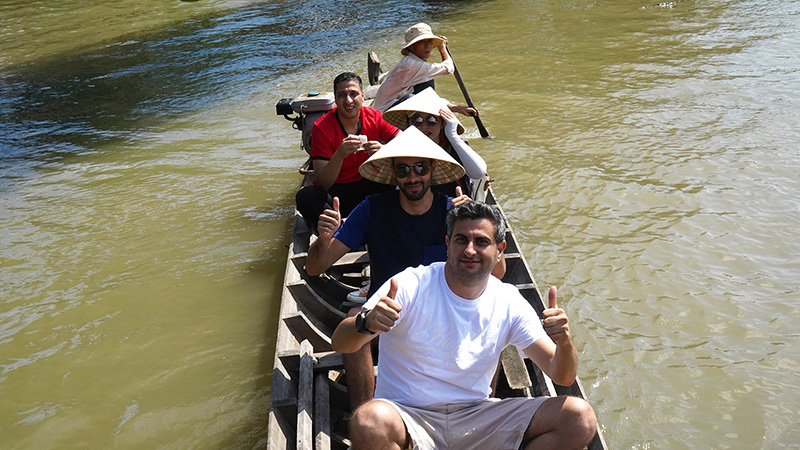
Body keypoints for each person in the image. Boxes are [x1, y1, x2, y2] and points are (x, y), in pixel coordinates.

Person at [331, 201, 598, 450]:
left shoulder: (507, 299)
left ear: (499, 251)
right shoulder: (410, 284)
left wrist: (565, 342)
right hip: (408, 415)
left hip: (477, 415)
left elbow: (562, 376)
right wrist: (365, 323)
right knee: (368, 422)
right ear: (448, 244)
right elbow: (340, 341)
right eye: (461, 240)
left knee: (579, 419)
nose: (470, 250)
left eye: (481, 242)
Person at [306, 126, 470, 409]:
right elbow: (314, 267)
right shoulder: (372, 209)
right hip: (386, 316)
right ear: (394, 173)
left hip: (441, 317)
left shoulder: (452, 213)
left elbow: (497, 274)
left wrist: (475, 225)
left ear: (431, 170)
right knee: (356, 317)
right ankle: (364, 414)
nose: (413, 177)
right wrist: (323, 239)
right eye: (403, 170)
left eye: (420, 168)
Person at [295, 72, 399, 230]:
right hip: (339, 191)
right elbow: (323, 183)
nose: (348, 101)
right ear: (335, 99)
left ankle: (363, 223)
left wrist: (384, 150)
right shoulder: (322, 128)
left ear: (363, 96)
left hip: (370, 183)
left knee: (404, 179)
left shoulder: (375, 117)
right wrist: (339, 155)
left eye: (353, 94)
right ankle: (340, 229)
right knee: (305, 197)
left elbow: (406, 143)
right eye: (342, 95)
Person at [383, 87, 490, 200]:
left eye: (432, 120)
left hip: (454, 205)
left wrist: (453, 135)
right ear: (409, 124)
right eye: (417, 121)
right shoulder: (404, 149)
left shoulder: (452, 146)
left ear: (442, 124)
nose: (424, 126)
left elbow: (480, 173)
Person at [372, 23, 478, 117]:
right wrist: (442, 49)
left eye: (430, 41)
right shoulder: (411, 65)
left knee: (426, 81)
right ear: (411, 47)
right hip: (384, 115)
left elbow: (427, 96)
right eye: (422, 42)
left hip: (393, 106)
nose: (428, 46)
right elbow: (449, 67)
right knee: (427, 82)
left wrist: (458, 108)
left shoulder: (414, 63)